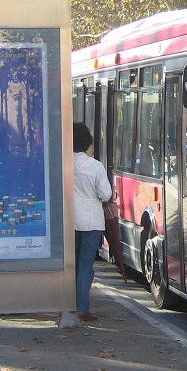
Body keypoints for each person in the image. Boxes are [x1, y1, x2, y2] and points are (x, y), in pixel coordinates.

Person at [73, 122, 112, 322]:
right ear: (86, 142)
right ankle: (82, 307)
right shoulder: (95, 166)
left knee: (71, 263)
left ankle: (67, 302)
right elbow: (105, 194)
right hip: (91, 220)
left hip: (68, 221)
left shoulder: (63, 163)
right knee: (86, 264)